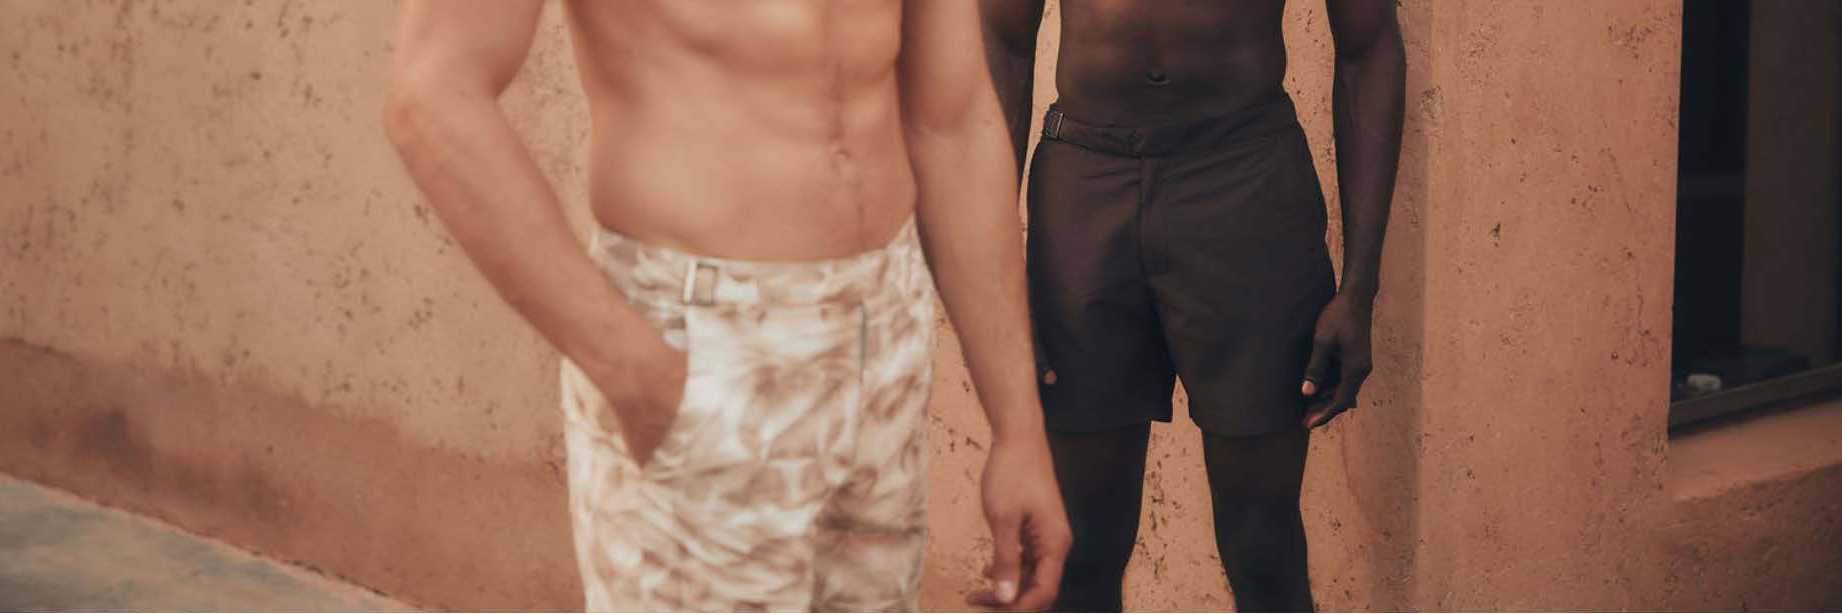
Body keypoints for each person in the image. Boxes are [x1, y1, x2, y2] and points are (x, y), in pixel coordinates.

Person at [384, 1, 1071, 611]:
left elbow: (951, 123)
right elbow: (433, 95)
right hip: (701, 346)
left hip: (882, 336)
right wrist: (642, 377)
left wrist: (1017, 429)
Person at [980, 0, 1404, 611]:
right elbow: (1002, 41)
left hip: (1246, 185)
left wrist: (1362, 285)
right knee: (1075, 549)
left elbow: (1370, 48)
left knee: (1264, 550)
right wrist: (996, 282)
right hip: (1084, 187)